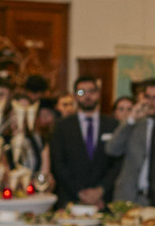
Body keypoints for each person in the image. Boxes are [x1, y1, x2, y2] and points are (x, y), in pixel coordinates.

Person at [50, 77, 120, 206]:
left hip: (104, 200)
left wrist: (100, 191)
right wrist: (80, 193)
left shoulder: (113, 125)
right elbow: (58, 164)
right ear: (75, 96)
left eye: (92, 91)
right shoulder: (62, 126)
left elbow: (118, 163)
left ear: (98, 94)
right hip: (71, 199)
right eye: (82, 92)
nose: (87, 96)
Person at [109, 79, 155, 206]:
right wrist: (131, 118)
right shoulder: (134, 124)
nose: (151, 102)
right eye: (147, 97)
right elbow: (111, 149)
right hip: (130, 197)